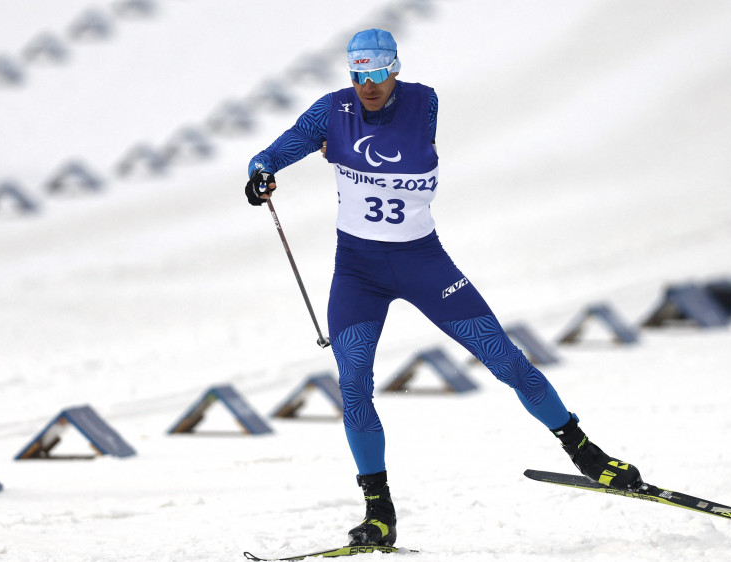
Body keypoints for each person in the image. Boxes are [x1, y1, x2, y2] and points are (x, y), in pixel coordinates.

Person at [245, 28, 643, 547]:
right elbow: (274, 152)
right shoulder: (331, 112)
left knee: (505, 359)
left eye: (376, 73)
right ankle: (379, 512)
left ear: (394, 68)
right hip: (358, 272)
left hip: (422, 263)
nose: (366, 84)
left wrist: (340, 148)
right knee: (353, 386)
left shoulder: (423, 102)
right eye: (356, 74)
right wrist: (260, 174)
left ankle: (587, 454)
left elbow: (404, 142)